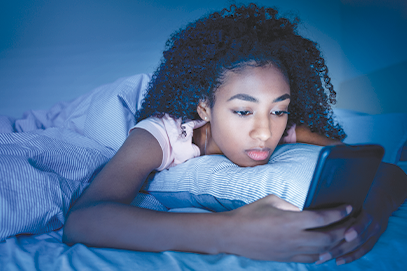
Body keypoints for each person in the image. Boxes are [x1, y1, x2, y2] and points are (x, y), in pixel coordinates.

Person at [62, 3, 407, 265]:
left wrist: (372, 213)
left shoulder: (280, 128)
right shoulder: (163, 132)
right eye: (243, 111)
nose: (264, 132)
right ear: (204, 109)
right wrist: (232, 232)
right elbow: (83, 219)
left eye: (278, 109)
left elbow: (371, 163)